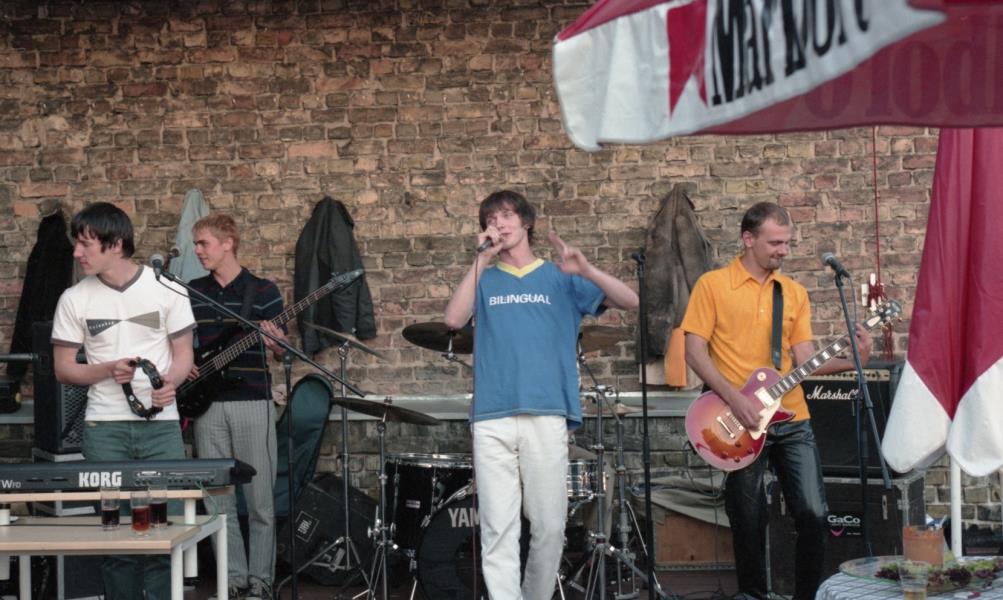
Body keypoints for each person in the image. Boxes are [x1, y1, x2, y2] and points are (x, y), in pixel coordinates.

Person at [444, 190, 639, 600]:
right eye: (491, 219)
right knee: (498, 527)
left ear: (526, 222)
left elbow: (631, 301)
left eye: (507, 215)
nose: (499, 224)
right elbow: (454, 319)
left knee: (550, 526)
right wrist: (480, 259)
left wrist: (587, 269)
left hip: (548, 411)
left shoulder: (559, 277)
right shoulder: (484, 278)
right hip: (492, 415)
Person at [680, 201, 873, 600]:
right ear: (748, 239)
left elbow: (805, 360)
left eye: (787, 243)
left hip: (792, 418)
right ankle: (753, 595)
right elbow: (694, 352)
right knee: (748, 519)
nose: (783, 251)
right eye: (775, 243)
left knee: (815, 515)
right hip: (738, 420)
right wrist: (734, 399)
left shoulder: (794, 293)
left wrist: (855, 359)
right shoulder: (713, 285)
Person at [51, 202, 195, 600]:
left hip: (162, 428)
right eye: (77, 244)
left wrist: (170, 384)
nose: (77, 253)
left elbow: (184, 354)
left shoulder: (168, 288)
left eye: (85, 244)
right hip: (104, 429)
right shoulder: (73, 298)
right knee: (116, 541)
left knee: (164, 534)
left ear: (115, 244)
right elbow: (63, 369)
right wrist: (106, 370)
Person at [188, 213, 287, 600]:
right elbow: (180, 342)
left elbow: (282, 352)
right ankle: (232, 580)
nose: (198, 251)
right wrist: (185, 361)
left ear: (228, 242)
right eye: (196, 244)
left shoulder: (263, 291)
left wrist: (276, 343)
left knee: (260, 501)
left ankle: (261, 581)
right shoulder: (192, 291)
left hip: (253, 402)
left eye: (204, 243)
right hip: (207, 405)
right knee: (218, 501)